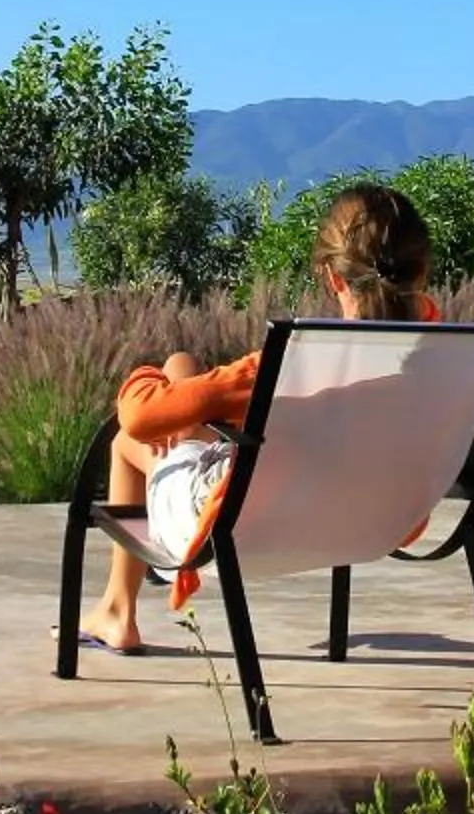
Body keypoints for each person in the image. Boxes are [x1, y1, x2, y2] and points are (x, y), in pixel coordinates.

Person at [74, 183, 439, 654]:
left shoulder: (293, 365)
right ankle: (117, 608)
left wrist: (141, 377)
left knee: (129, 438)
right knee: (183, 367)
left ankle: (117, 611)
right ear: (421, 269)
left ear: (333, 278)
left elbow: (141, 417)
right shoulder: (444, 359)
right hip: (375, 520)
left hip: (240, 523)